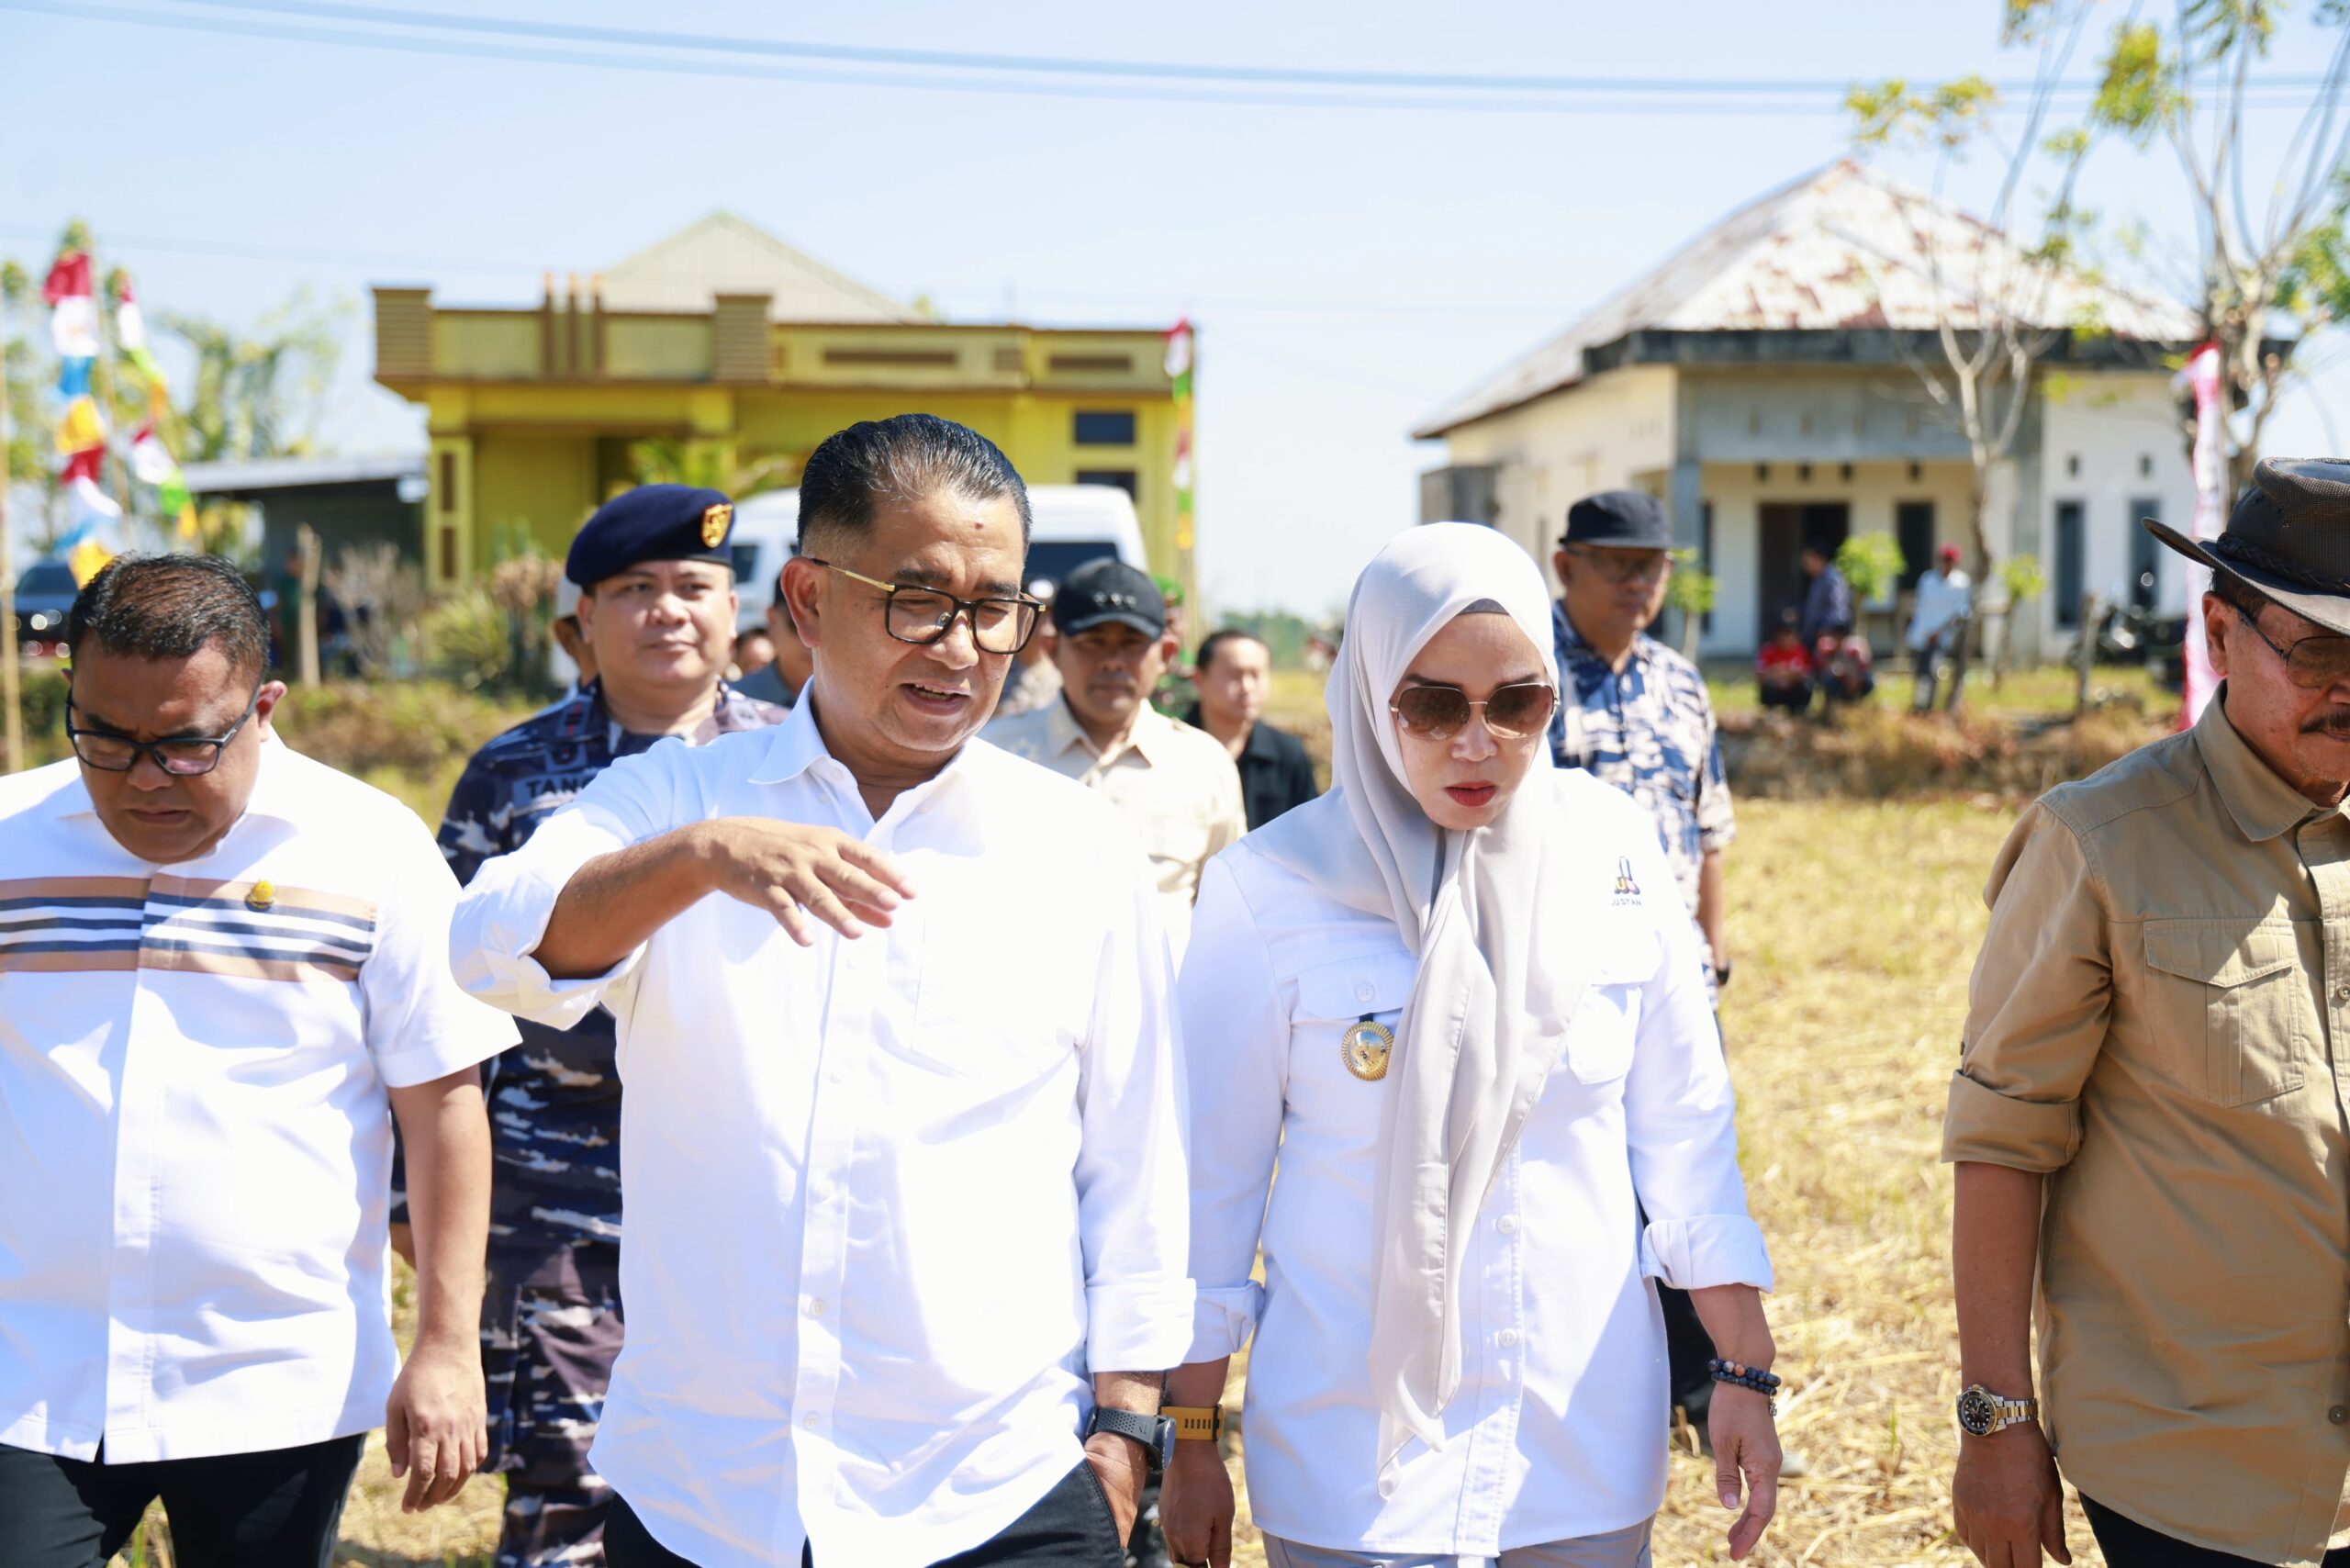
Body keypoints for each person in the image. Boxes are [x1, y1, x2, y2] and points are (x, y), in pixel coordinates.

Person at [450, 413, 1192, 1568]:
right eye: (915, 597)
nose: (959, 646)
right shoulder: (679, 797)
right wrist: (696, 859)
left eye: (995, 606)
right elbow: (491, 945)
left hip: (994, 1489)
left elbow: (1138, 1167)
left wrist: (1133, 1433)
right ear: (805, 599)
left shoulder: (1075, 850)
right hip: (710, 1491)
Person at [1160, 522, 1781, 1568]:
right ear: (1370, 695)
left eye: (1518, 703)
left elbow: (1686, 1142)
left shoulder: (1613, 854)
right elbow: (1207, 1196)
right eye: (1433, 704)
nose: (1477, 741)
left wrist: (1745, 1371)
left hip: (1574, 1444)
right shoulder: (1268, 888)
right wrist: (1188, 1437)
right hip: (1350, 1465)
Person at [0, 553, 513, 1566]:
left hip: (274, 1377)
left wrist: (449, 1345)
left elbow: (444, 1100)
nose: (144, 778)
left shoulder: (371, 847)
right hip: (27, 1367)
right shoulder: (11, 840)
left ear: (263, 706)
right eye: (104, 737)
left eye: (185, 745)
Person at [1944, 457, 2350, 1568]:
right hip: (2193, 1474)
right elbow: (2000, 1141)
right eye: (2314, 649)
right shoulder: (2098, 844)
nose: (2346, 685)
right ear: (2218, 636)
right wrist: (1995, 1423)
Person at [424, 484, 785, 1568]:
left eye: (694, 586)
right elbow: (442, 1002)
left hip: (744, 1185)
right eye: (635, 589)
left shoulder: (794, 765)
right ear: (579, 621)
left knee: (744, 1480)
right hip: (561, 1193)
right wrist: (425, 1199)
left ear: (739, 612)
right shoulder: (510, 772)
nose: (669, 610)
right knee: (565, 1483)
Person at [1547, 491, 1740, 1429]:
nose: (1637, 581)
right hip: (1562, 984)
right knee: (1582, 1186)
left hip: (1673, 980)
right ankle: (1595, 1378)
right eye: (1615, 562)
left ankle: (1693, 1374)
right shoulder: (1524, 680)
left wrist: (1714, 945)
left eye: (1651, 565)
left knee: (1683, 1171)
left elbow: (1708, 827)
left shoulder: (1679, 682)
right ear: (1562, 565)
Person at [985, 556, 1245, 951]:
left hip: (1163, 1009)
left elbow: (1228, 917)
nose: (1111, 661)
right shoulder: (995, 755)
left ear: (1167, 653)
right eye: (1092, 643)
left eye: (1131, 644)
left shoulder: (1204, 767)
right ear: (1053, 650)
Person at [1186, 627, 1319, 829]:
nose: (1247, 687)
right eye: (1234, 675)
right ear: (1198, 680)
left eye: (1256, 675)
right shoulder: (1172, 750)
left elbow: (1310, 832)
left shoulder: (1288, 754)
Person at [736, 563, 815, 710]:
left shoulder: (858, 706)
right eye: (797, 623)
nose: (812, 640)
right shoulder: (734, 703)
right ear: (772, 620)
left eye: (828, 624)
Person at [1908, 544, 1973, 713]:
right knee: (1919, 672)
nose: (1947, 565)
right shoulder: (1927, 580)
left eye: (1950, 562)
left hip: (1941, 636)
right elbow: (1919, 606)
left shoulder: (1961, 583)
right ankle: (1919, 706)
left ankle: (1927, 707)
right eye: (1944, 561)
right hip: (1921, 634)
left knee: (1932, 670)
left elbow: (1960, 613)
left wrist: (1939, 632)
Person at [1755, 611, 1813, 712]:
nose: (1787, 638)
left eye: (1790, 634)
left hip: (1793, 690)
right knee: (1769, 687)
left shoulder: (1801, 651)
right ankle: (1770, 711)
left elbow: (1806, 675)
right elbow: (1760, 675)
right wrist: (1778, 674)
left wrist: (1788, 675)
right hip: (1776, 690)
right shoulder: (1768, 650)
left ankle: (1798, 711)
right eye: (1784, 634)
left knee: (1806, 687)